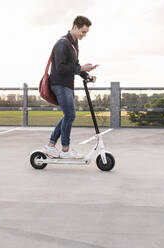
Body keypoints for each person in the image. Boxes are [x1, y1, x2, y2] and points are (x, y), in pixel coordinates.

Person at [44, 16, 98, 159]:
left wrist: (86, 74)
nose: (84, 35)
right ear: (74, 27)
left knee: (68, 115)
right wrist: (80, 67)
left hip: (67, 85)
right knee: (70, 115)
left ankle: (50, 146)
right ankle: (65, 150)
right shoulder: (63, 43)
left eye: (86, 32)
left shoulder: (74, 44)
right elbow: (61, 68)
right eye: (83, 32)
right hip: (60, 84)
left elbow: (75, 66)